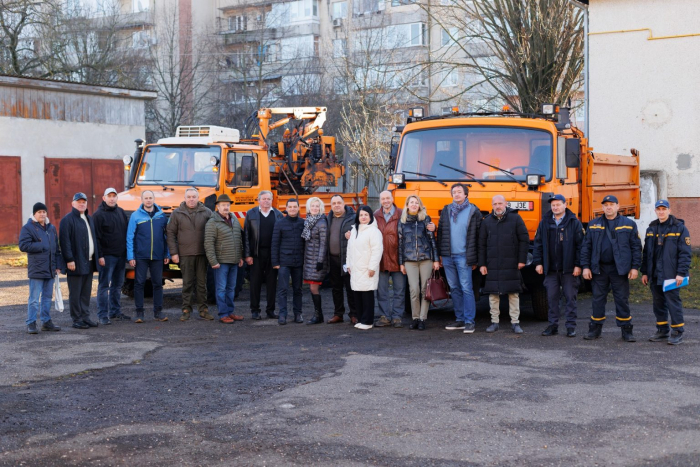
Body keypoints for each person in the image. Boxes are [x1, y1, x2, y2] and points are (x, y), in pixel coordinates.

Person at [581, 195, 642, 342]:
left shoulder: (629, 224)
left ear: (617, 206)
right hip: (599, 268)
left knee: (621, 300)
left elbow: (636, 247)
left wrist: (635, 267)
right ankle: (595, 330)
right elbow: (586, 247)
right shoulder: (593, 224)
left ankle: (626, 330)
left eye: (611, 204)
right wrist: (585, 267)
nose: (609, 207)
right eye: (606, 205)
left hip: (619, 269)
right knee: (597, 299)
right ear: (602, 207)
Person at [640, 199, 692, 345]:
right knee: (658, 303)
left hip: (671, 275)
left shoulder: (679, 228)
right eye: (659, 209)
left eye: (664, 209)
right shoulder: (651, 228)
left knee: (673, 303)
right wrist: (645, 272)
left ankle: (677, 332)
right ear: (655, 211)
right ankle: (662, 330)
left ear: (669, 210)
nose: (661, 212)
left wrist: (681, 273)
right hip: (655, 274)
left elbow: (685, 253)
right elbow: (647, 253)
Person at [533, 194, 584, 337]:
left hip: (569, 269)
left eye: (558, 205)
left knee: (570, 298)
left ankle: (570, 327)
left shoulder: (574, 222)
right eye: (553, 205)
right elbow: (538, 244)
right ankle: (552, 326)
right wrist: (538, 263)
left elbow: (581, 246)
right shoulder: (544, 222)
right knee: (552, 298)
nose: (555, 207)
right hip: (550, 269)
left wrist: (578, 265)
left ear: (565, 205)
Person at [478, 195, 529, 334]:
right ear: (492, 205)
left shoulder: (515, 218)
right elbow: (481, 245)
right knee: (493, 295)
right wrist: (482, 264)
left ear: (506, 204)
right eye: (495, 204)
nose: (498, 206)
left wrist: (522, 260)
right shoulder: (486, 221)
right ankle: (494, 322)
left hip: (512, 262)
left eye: (500, 203)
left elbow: (524, 240)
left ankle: (515, 323)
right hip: (492, 263)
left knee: (513, 294)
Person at [437, 183, 483, 334]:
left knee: (466, 288)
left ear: (465, 194)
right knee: (454, 288)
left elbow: (478, 236)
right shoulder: (446, 210)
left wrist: (475, 258)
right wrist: (440, 254)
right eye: (454, 192)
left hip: (464, 256)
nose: (456, 194)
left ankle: (469, 321)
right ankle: (460, 319)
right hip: (448, 256)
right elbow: (441, 233)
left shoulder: (474, 211)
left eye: (459, 192)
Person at [167, 188, 213, 322]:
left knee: (201, 284)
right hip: (185, 254)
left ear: (198, 198)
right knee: (187, 284)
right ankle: (186, 310)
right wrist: (174, 253)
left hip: (202, 254)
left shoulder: (207, 212)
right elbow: (170, 233)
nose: (191, 199)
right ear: (185, 198)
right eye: (189, 197)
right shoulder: (177, 213)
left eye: (194, 197)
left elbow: (213, 231)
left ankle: (203, 310)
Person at [59, 192, 102, 329]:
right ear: (73, 203)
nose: (82, 204)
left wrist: (98, 256)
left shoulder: (89, 219)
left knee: (86, 292)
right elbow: (64, 242)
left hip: (89, 262)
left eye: (84, 202)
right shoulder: (67, 220)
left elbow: (94, 239)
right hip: (75, 263)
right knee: (75, 293)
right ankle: (77, 319)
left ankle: (85, 317)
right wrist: (69, 259)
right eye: (79, 202)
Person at [126, 190, 170, 324]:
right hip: (141, 256)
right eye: (146, 198)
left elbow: (167, 237)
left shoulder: (161, 216)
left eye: (150, 198)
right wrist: (131, 256)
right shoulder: (135, 216)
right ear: (142, 200)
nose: (148, 200)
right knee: (139, 283)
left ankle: (158, 312)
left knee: (158, 284)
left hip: (157, 256)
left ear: (154, 199)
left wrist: (167, 253)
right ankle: (139, 313)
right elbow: (130, 237)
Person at [19, 202, 62, 334]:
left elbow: (57, 249)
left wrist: (58, 266)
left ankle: (46, 322)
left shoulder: (51, 228)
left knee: (47, 298)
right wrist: (41, 245)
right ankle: (31, 323)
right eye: (39, 212)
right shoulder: (28, 228)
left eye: (44, 212)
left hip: (50, 269)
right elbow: (23, 245)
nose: (42, 214)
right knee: (34, 299)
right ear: (34, 214)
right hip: (37, 269)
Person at [398, 195, 440, 331]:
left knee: (424, 289)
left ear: (420, 205)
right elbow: (400, 244)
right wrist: (401, 263)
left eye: (416, 203)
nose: (414, 205)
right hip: (409, 260)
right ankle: (415, 318)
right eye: (412, 202)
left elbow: (432, 240)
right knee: (414, 289)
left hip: (425, 259)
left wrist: (436, 260)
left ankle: (422, 318)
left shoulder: (425, 219)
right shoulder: (402, 221)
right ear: (407, 205)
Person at [243, 190, 284, 320]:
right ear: (259, 200)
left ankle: (270, 310)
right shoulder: (251, 214)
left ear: (272, 200)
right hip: (256, 254)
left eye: (268, 199)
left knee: (272, 284)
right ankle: (255, 310)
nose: (266, 201)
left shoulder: (278, 214)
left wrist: (279, 256)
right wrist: (248, 255)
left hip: (273, 254)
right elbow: (246, 236)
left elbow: (282, 236)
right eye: (264, 199)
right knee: (255, 283)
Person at [204, 194, 244, 324]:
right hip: (221, 262)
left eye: (227, 205)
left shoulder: (234, 219)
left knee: (231, 288)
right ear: (217, 206)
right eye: (223, 205)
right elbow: (208, 243)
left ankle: (230, 312)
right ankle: (223, 314)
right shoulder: (212, 222)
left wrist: (240, 256)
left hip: (234, 261)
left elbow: (238, 239)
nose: (226, 207)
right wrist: (213, 261)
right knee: (221, 289)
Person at [93, 188, 129, 324]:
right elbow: (96, 238)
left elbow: (126, 233)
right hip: (107, 257)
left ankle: (115, 312)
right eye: (109, 196)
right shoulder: (98, 215)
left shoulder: (121, 212)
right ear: (104, 198)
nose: (112, 198)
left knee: (117, 285)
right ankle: (102, 315)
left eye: (114, 196)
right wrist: (100, 256)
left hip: (120, 256)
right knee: (104, 286)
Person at [346, 206, 383, 330]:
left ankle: (367, 321)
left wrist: (372, 267)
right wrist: (348, 265)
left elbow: (377, 251)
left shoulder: (374, 231)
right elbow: (349, 249)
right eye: (361, 215)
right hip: (355, 269)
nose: (363, 217)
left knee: (367, 294)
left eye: (366, 215)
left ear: (370, 216)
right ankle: (361, 319)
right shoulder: (354, 231)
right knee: (357, 294)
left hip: (367, 268)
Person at [271, 198, 307, 325]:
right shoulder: (279, 223)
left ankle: (298, 314)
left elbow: (306, 243)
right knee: (283, 289)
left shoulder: (303, 223)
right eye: (290, 207)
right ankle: (282, 314)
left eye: (294, 207)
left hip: (298, 262)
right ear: (286, 209)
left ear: (298, 208)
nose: (292, 209)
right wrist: (275, 262)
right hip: (284, 262)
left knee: (298, 289)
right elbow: (275, 244)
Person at [373, 191, 405, 328]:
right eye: (383, 199)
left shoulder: (402, 214)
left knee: (399, 290)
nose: (385, 201)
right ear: (380, 200)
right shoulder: (375, 215)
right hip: (380, 258)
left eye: (388, 198)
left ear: (392, 199)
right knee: (382, 291)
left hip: (398, 257)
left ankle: (397, 317)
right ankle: (384, 316)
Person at [326, 195, 357, 324]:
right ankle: (338, 314)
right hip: (332, 259)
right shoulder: (328, 218)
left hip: (347, 259)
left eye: (339, 202)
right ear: (331, 205)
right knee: (336, 288)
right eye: (334, 203)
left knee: (351, 288)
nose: (337, 205)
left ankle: (354, 314)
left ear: (344, 203)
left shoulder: (353, 218)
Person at [301, 197, 330, 325]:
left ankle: (318, 315)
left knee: (314, 288)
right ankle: (318, 315)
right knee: (312, 288)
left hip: (317, 261)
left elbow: (324, 243)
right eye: (312, 206)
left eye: (317, 206)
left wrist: (320, 261)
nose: (314, 208)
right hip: (309, 259)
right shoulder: (309, 221)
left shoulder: (321, 222)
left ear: (320, 208)